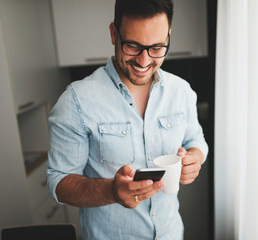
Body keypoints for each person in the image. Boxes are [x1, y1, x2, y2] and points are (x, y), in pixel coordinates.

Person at [46, 0, 208, 239]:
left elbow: (196, 140)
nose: (144, 61)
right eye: (132, 46)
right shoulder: (76, 101)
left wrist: (194, 157)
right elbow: (58, 182)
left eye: (157, 48)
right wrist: (110, 191)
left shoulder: (181, 91)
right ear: (114, 33)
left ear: (168, 36)